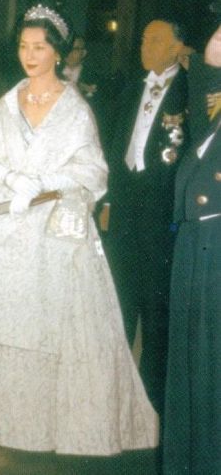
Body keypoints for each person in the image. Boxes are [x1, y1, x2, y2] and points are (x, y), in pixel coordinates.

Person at [0, 4, 157, 454]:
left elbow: (93, 170)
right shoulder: (8, 101)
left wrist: (43, 182)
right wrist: (10, 178)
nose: (30, 55)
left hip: (48, 226)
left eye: (40, 47)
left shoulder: (75, 108)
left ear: (57, 53)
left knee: (40, 322)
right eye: (25, 46)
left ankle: (37, 422)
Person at [100, 18, 188, 417]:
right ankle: (114, 389)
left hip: (161, 213)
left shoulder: (190, 91)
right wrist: (108, 202)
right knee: (118, 300)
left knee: (156, 309)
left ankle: (152, 395)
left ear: (177, 47)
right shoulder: (131, 87)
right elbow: (116, 145)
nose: (145, 45)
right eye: (144, 37)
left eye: (156, 39)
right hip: (124, 210)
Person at [163, 24, 221, 475]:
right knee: (191, 370)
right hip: (195, 243)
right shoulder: (214, 107)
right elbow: (207, 79)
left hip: (216, 244)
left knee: (211, 372)